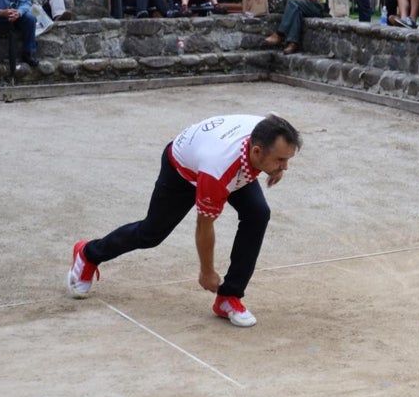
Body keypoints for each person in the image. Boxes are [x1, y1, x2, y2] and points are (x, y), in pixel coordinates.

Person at [67, 114, 302, 328]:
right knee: (151, 234)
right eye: (281, 160)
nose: (285, 166)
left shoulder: (266, 133)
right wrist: (207, 272)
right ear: (257, 152)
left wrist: (275, 168)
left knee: (258, 214)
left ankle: (229, 297)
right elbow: (204, 225)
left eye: (287, 159)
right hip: (183, 171)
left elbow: (267, 156)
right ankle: (89, 253)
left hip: (225, 161)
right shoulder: (217, 169)